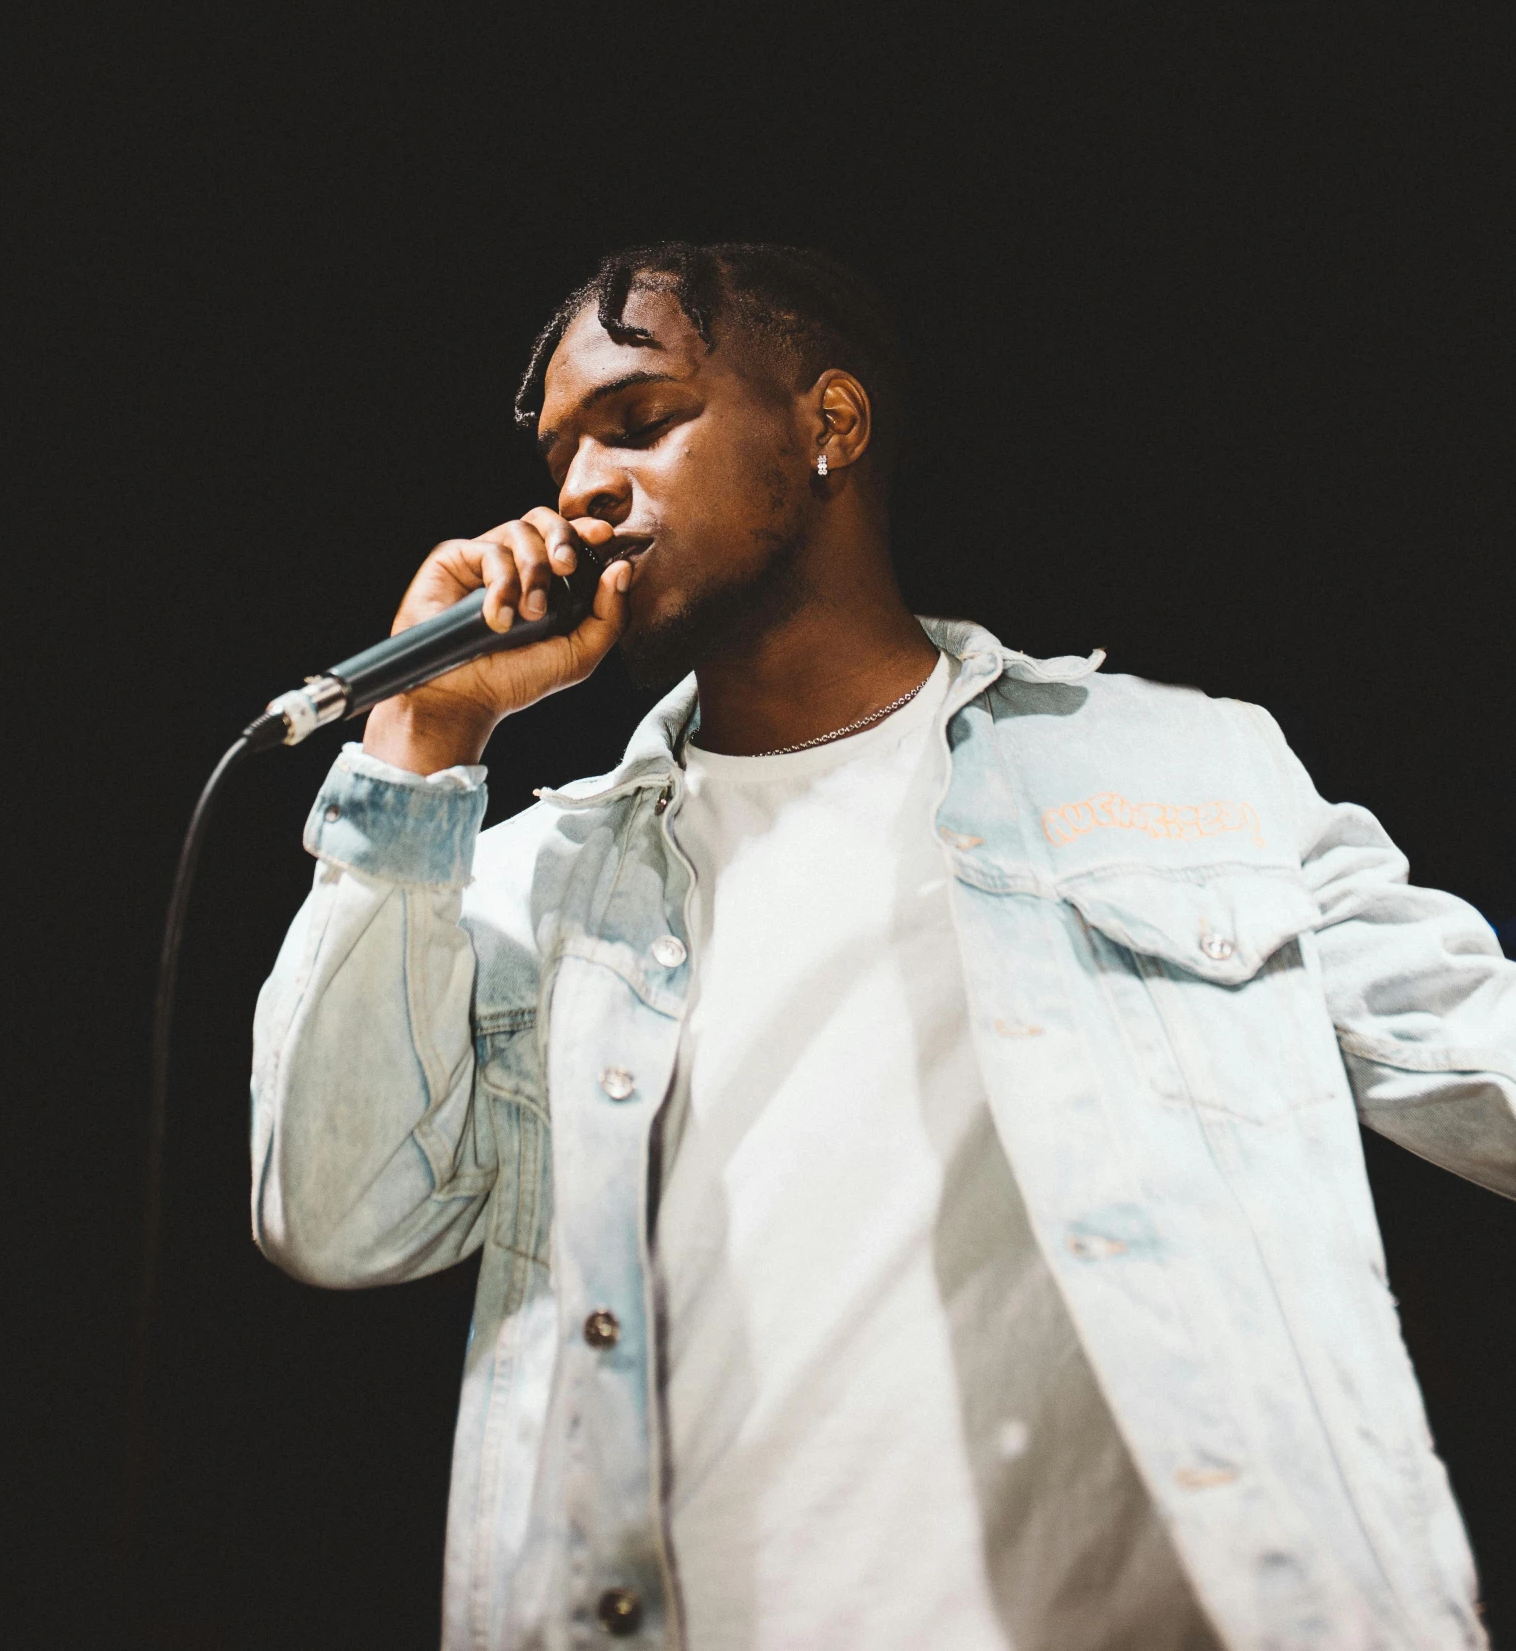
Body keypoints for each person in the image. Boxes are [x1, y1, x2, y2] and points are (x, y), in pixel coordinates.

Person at [252, 240, 1506, 1651]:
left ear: (828, 425)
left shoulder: (1190, 773)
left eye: (641, 420)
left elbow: (1483, 1051)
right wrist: (422, 740)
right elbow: (339, 1212)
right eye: (561, 453)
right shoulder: (540, 878)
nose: (582, 487)